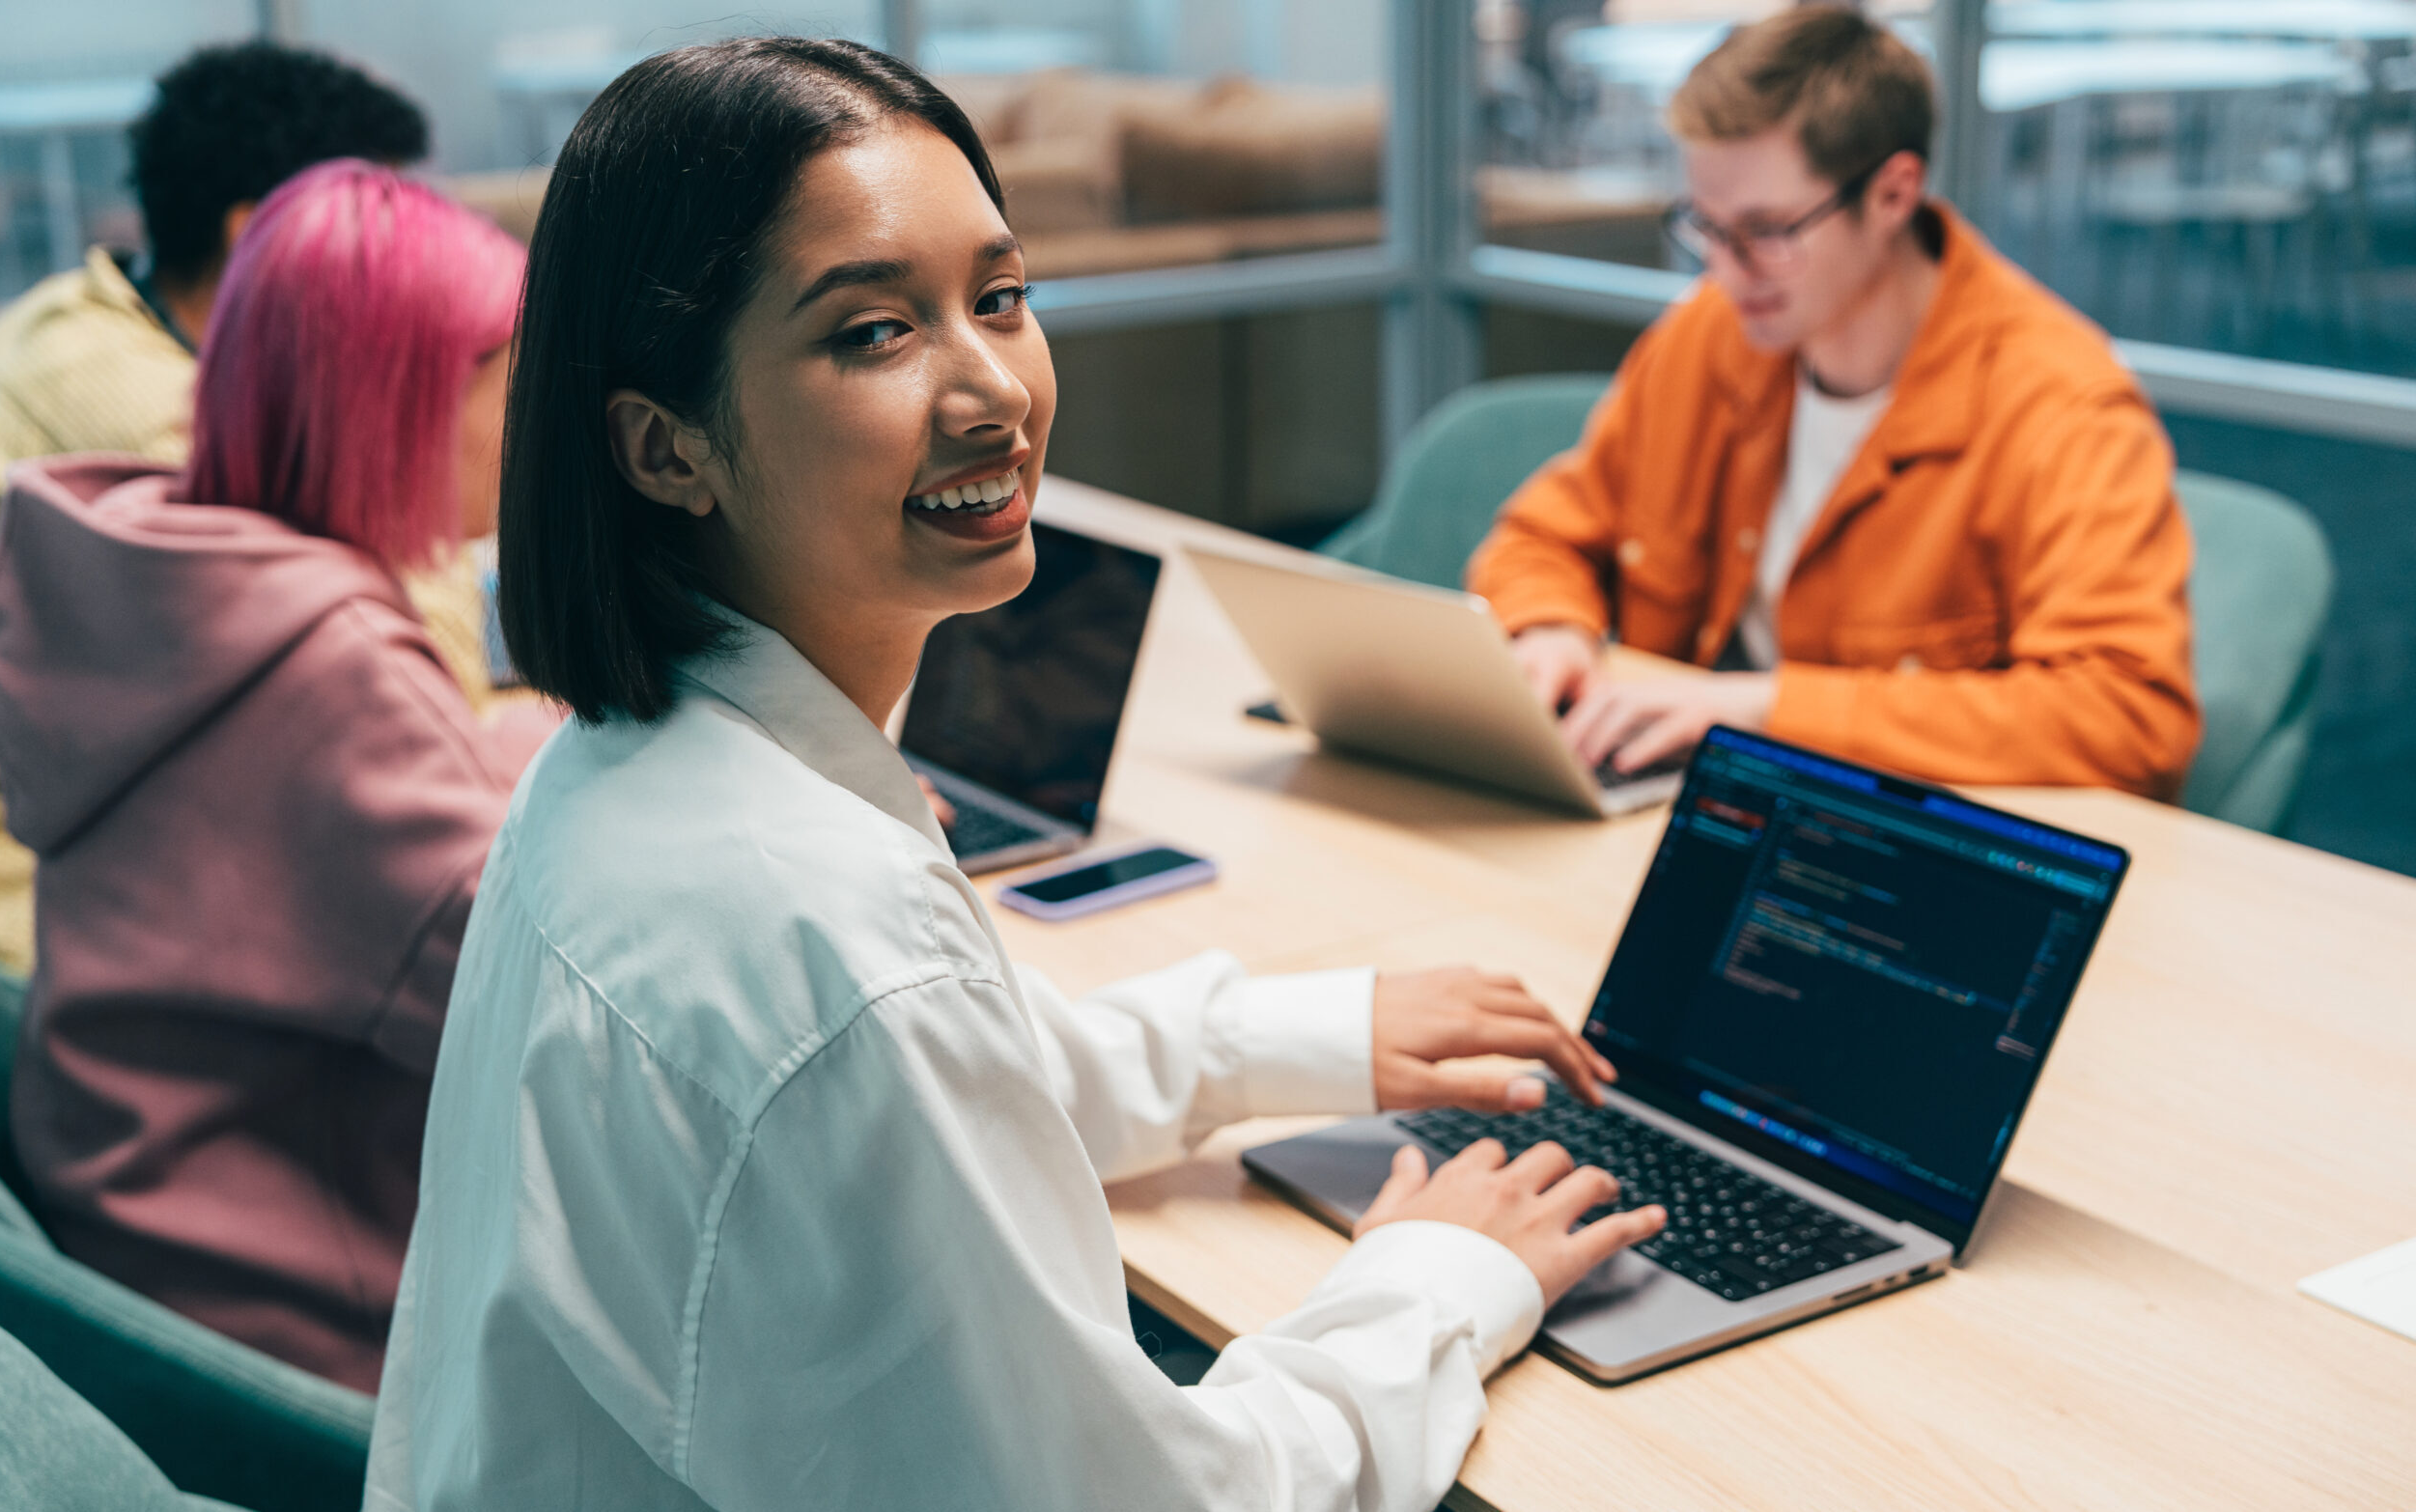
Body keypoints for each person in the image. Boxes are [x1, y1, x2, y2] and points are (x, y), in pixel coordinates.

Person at [363, 38, 1665, 1512]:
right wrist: (1436, 1281)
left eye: (999, 299)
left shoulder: (612, 771)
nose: (992, 390)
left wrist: (1290, 1036)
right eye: (871, 332)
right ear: (666, 448)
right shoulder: (826, 939)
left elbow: (923, 1092)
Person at [0, 161, 548, 1392]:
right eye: (516, 383)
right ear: (398, 403)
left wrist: (532, 744)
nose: (539, 422)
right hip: (311, 1315)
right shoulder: (330, 668)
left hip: (137, 1221)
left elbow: (343, 823)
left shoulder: (175, 585)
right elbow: (534, 1000)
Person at [1468, 7, 2200, 799]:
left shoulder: (2059, 406)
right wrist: (1551, 630)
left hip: (1888, 864)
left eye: (1767, 229)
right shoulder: (1718, 333)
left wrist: (1759, 708)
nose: (1727, 268)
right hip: (1694, 802)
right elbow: (1544, 536)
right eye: (1704, 227)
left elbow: (2128, 714)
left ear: (1892, 194)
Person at [0, 42, 455, 970]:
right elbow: (393, 700)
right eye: (380, 236)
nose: (408, 275)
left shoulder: (80, 315)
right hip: (28, 920)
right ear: (253, 231)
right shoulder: (147, 416)